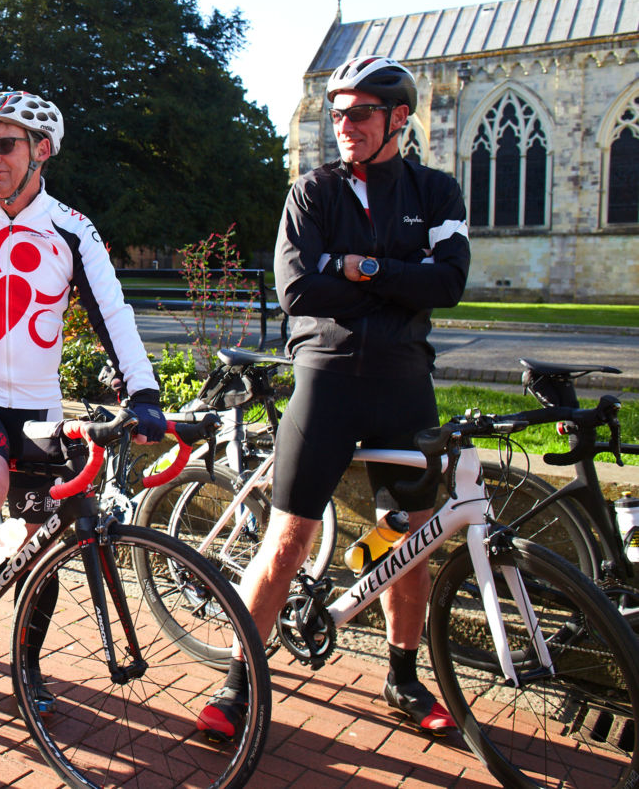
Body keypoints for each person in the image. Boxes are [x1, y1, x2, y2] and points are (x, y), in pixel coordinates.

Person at [197, 55, 471, 740]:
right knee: (289, 537)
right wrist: (399, 278)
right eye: (336, 113)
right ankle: (237, 687)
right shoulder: (312, 193)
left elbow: (449, 283)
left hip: (404, 382)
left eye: (359, 114)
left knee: (411, 540)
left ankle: (402, 677)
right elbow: (298, 292)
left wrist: (355, 266)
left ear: (398, 119)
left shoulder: (436, 192)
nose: (342, 125)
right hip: (327, 376)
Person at [0, 90, 165, 705]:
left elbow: (113, 314)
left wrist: (144, 391)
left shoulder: (72, 229)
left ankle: (27, 662)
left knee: (47, 529)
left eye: (6, 143)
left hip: (41, 404)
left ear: (41, 151)